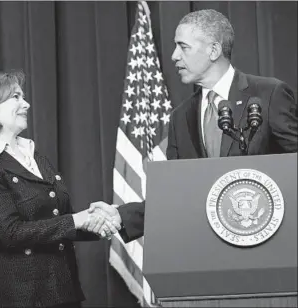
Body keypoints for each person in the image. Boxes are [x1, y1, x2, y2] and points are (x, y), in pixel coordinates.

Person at [86, 9, 298, 242]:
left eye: (183, 46)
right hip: (207, 252)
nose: (174, 55)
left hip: (273, 244)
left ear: (214, 50)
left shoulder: (269, 95)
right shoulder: (181, 117)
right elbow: (177, 193)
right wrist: (120, 216)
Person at [0, 69, 120, 308]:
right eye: (16, 97)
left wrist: (101, 223)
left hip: (64, 291)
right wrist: (77, 219)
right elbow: (11, 233)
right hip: (24, 297)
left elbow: (59, 222)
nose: (27, 104)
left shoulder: (33, 155)